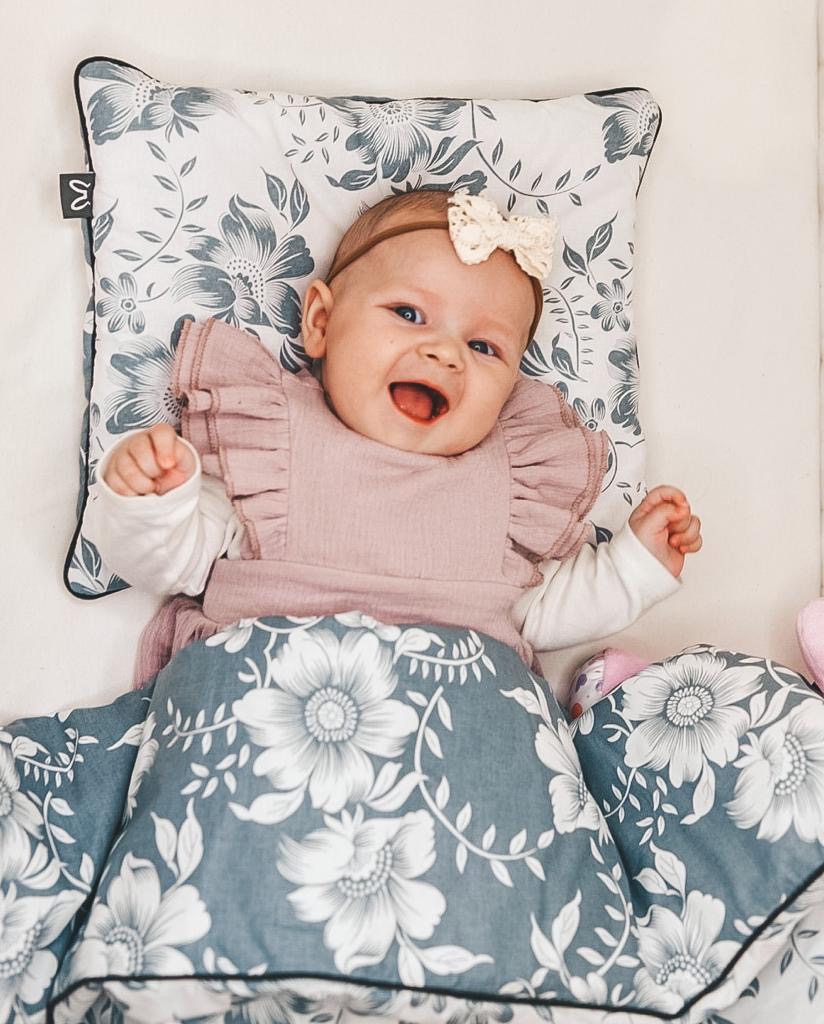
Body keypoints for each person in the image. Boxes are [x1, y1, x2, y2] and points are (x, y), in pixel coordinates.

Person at [85, 188, 701, 695]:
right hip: (273, 698)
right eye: (408, 314)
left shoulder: (507, 486)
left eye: (483, 347)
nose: (445, 353)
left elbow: (543, 611)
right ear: (321, 322)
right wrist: (152, 504)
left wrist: (633, 567)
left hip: (455, 716)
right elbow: (171, 565)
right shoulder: (271, 444)